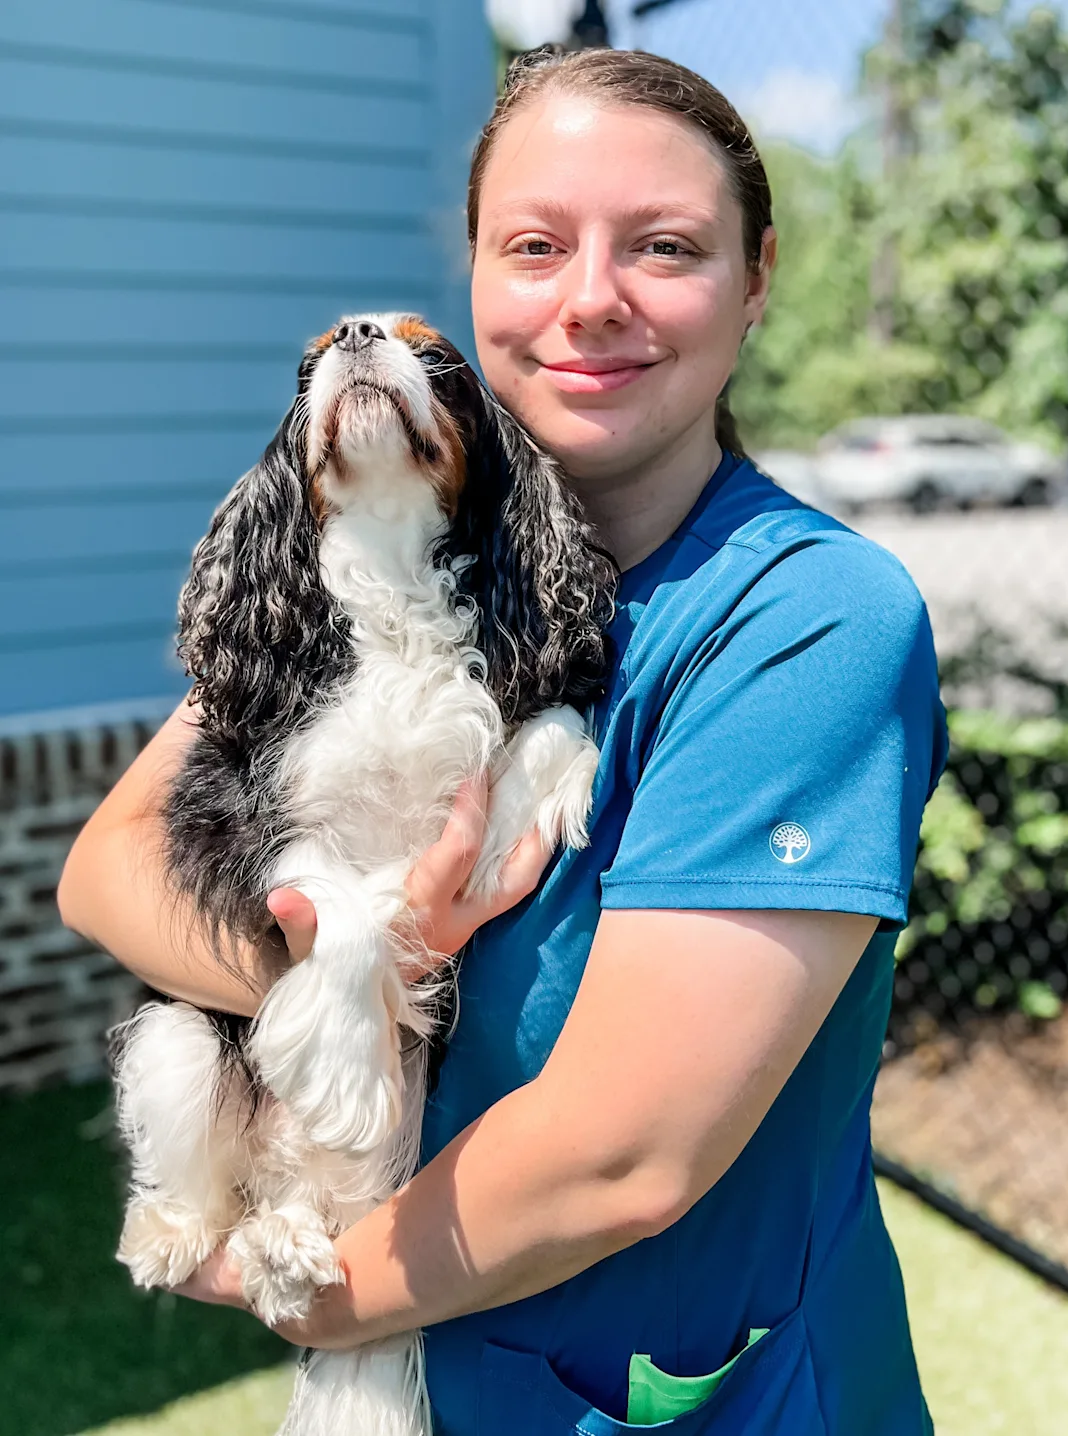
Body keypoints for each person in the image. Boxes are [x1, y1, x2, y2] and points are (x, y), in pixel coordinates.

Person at [59, 48, 947, 1436]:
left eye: (664, 246)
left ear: (757, 277)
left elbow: (620, 1161)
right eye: (533, 245)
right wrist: (348, 965)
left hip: (681, 1400)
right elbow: (106, 867)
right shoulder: (378, 573)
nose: (590, 299)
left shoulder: (807, 623)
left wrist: (286, 1284)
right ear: (478, 275)